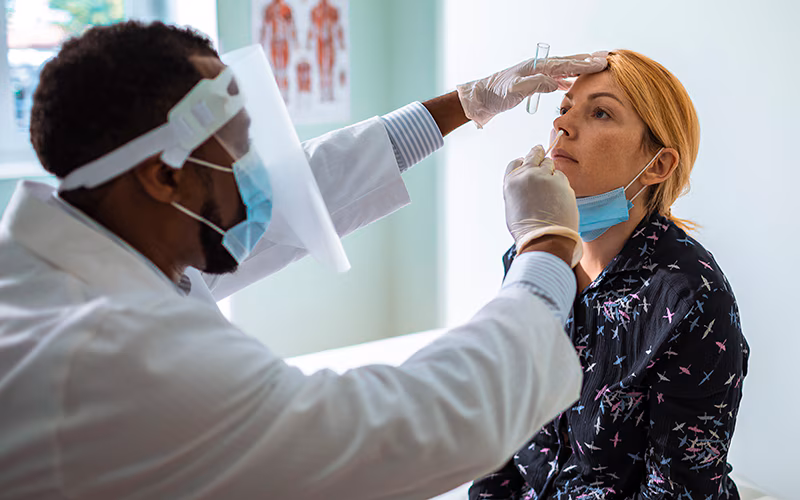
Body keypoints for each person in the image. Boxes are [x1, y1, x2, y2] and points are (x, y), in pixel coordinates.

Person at [0, 21, 607, 499]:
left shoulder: (100, 240)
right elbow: (405, 432)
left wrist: (469, 102)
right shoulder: (114, 356)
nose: (262, 174)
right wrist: (548, 245)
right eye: (239, 150)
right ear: (163, 177)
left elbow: (307, 188)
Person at [470, 50, 749, 499]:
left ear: (658, 165)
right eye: (563, 109)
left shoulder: (690, 297)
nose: (562, 126)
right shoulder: (531, 258)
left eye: (600, 112)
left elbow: (678, 488)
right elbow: (500, 425)